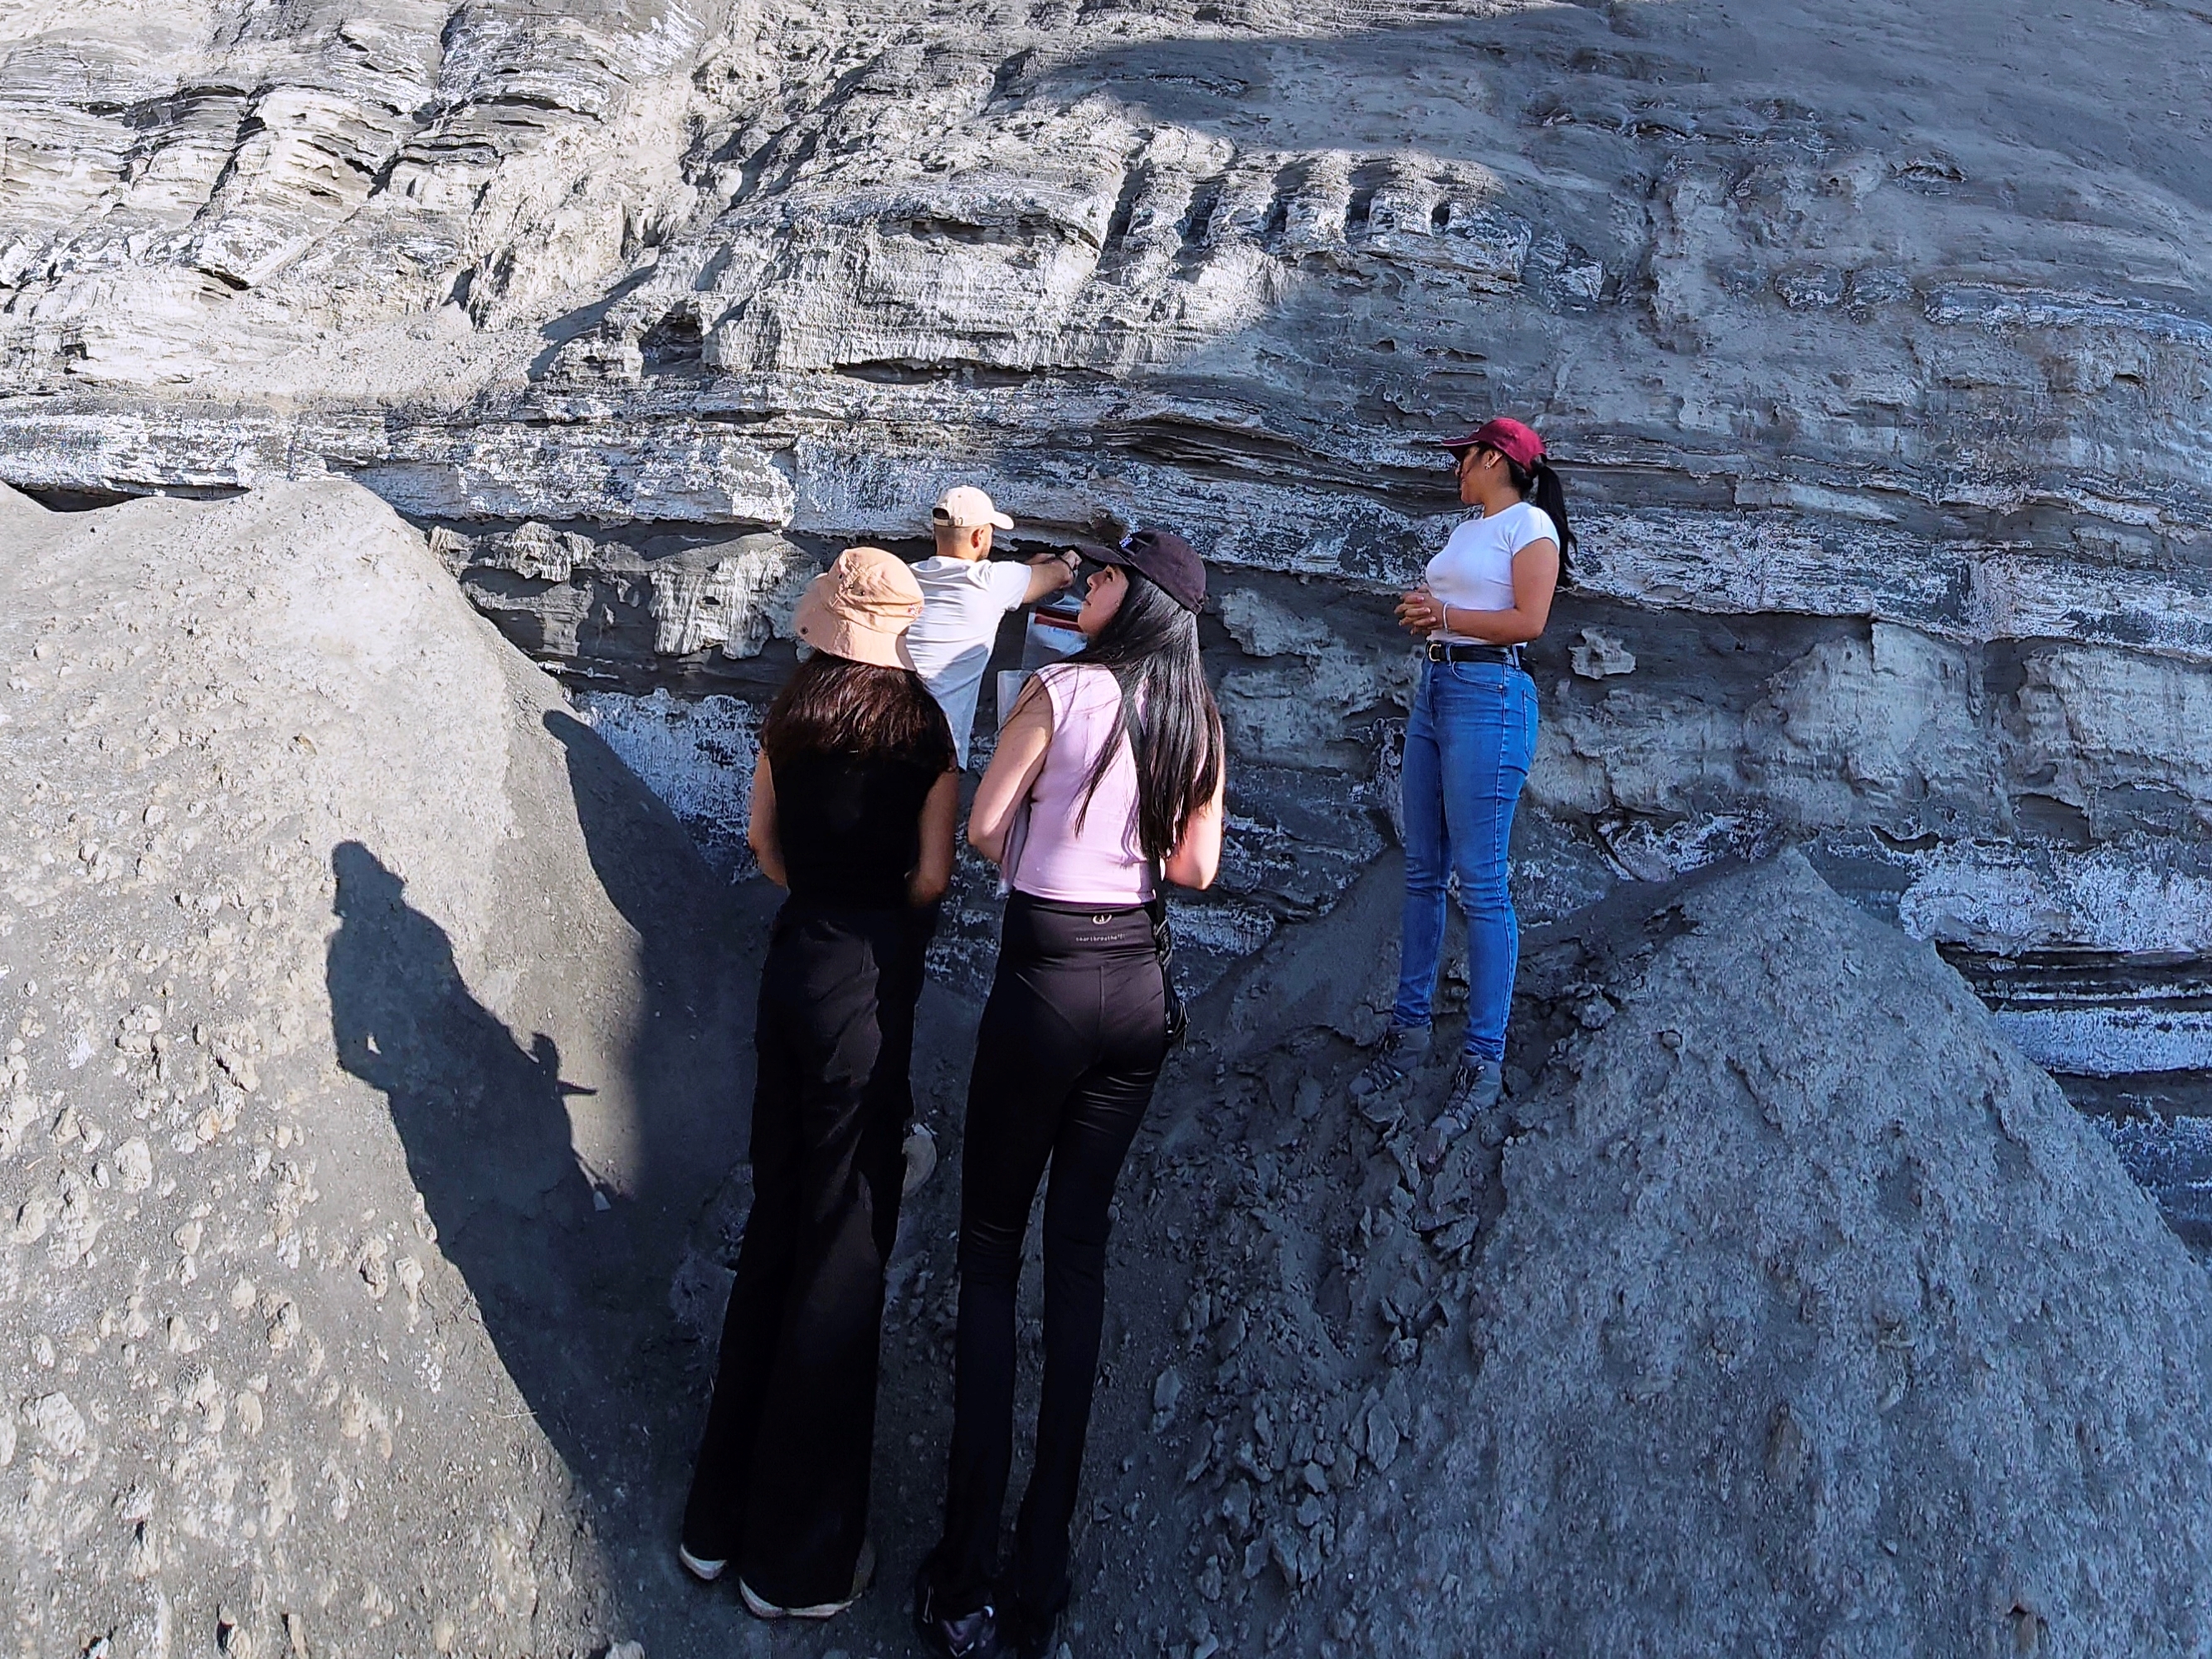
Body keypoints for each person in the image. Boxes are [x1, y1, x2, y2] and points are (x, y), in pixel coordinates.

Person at [914, 530, 1226, 1659]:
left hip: (1046, 977)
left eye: (1103, 575)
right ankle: (1036, 1583)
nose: (1086, 584)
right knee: (1078, 1259)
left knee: (989, 1255)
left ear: (1136, 599)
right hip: (1137, 993)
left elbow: (984, 825)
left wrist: (1045, 861)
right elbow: (1194, 871)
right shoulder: (1196, 714)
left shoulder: (1060, 689)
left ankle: (963, 1579)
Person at [678, 546, 960, 1622]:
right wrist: (874, 909)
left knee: (775, 1221)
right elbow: (931, 876)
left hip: (791, 966)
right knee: (841, 1257)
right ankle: (793, 1565)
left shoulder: (790, 711)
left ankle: (713, 1525)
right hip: (865, 988)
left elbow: (763, 844)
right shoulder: (923, 730)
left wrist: (821, 893)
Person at [1350, 417, 1573, 1170]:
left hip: (1491, 696)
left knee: (1480, 883)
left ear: (1496, 460)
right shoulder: (1471, 529)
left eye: (1465, 458)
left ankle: (1483, 1057)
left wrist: (1443, 615)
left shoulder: (1529, 525)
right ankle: (1409, 1032)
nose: (1456, 469)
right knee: (1423, 871)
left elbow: (1530, 620)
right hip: (1439, 689)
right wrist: (1431, 613)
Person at [904, 485, 1079, 769]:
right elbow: (1060, 576)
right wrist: (1068, 560)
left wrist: (1025, 571)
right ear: (979, 536)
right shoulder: (992, 582)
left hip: (883, 728)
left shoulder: (905, 575)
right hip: (932, 748)